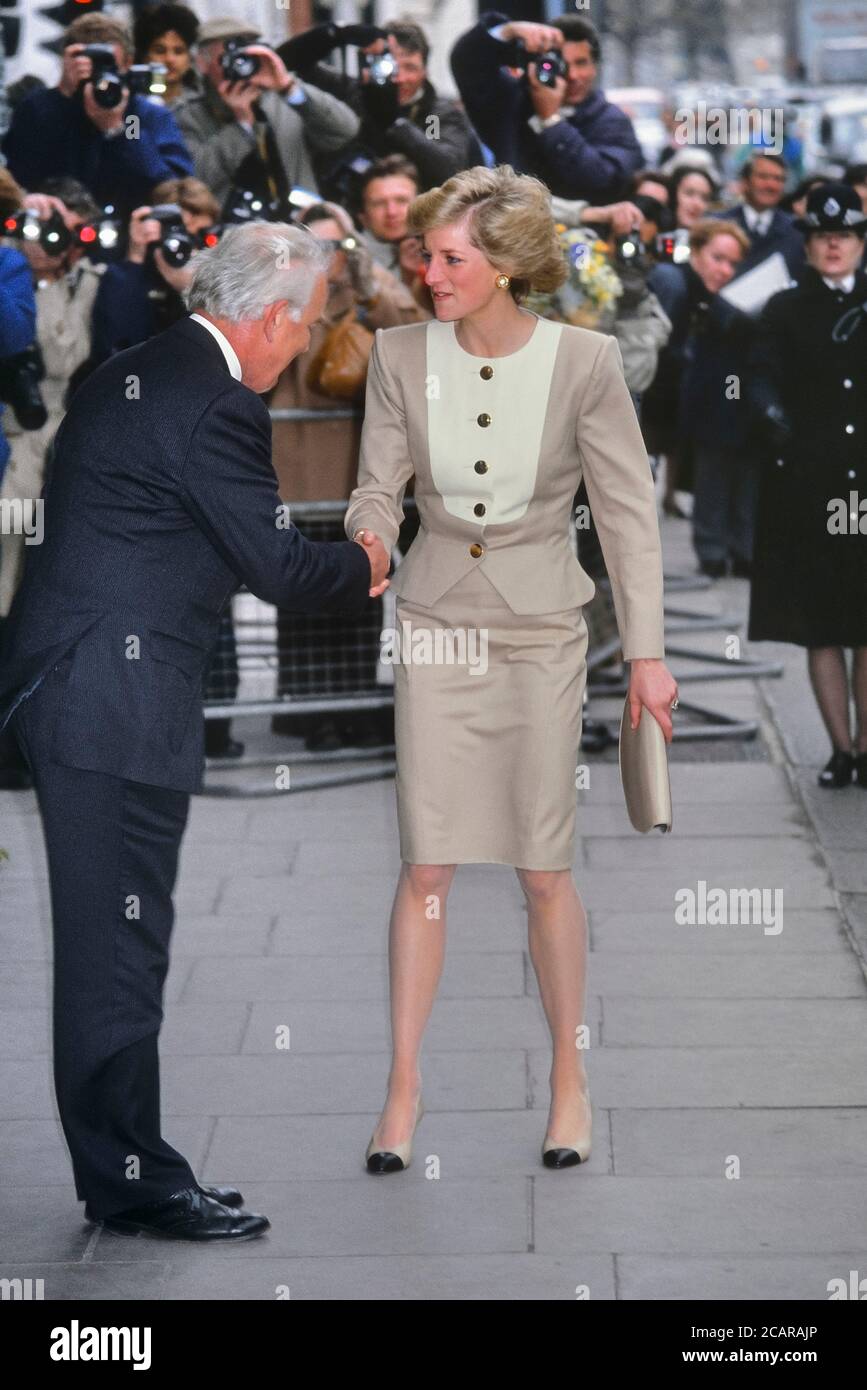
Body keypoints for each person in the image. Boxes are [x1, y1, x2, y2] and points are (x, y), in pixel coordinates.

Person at [0, 222, 389, 1240]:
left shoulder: (136, 369)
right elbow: (280, 570)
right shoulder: (216, 402)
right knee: (115, 952)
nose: (302, 345)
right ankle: (136, 1183)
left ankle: (130, 1168)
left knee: (118, 944)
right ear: (267, 317)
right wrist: (371, 561)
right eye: (303, 325)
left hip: (86, 687)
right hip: (107, 701)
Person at [344, 164, 676, 1174]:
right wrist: (366, 541)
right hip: (439, 620)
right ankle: (402, 1085)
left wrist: (651, 658)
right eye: (425, 256)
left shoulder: (584, 362)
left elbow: (625, 511)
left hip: (542, 629)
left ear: (505, 267)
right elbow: (375, 486)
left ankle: (570, 1080)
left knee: (542, 868)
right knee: (428, 863)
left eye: (449, 258)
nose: (428, 272)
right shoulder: (399, 355)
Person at [268, 197, 429, 752]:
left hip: (355, 477)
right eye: (314, 245)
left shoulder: (367, 291)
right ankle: (307, 711)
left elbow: (412, 325)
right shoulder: (278, 295)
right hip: (295, 472)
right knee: (302, 594)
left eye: (336, 244)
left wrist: (364, 269)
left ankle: (356, 703)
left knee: (361, 589)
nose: (327, 257)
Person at [747, 182, 867, 789]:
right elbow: (759, 375)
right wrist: (769, 414)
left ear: (860, 243)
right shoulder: (785, 308)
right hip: (813, 488)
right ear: (810, 246)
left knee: (865, 623)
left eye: (843, 237)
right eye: (823, 238)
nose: (833, 247)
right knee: (823, 623)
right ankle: (840, 749)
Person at [0, 179, 104, 620]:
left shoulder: (89, 281)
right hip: (15, 429)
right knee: (9, 539)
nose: (58, 241)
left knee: (51, 553)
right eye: (49, 227)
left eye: (71, 231)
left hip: (60, 433)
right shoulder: (10, 262)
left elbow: (65, 355)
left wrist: (51, 281)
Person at [1, 12, 193, 219]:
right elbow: (21, 177)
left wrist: (117, 128)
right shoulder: (40, 107)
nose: (100, 78)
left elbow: (167, 185)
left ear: (128, 63)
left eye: (109, 67)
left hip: (131, 228)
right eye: (91, 67)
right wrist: (64, 97)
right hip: (56, 228)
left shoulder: (136, 115)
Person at [174, 15, 360, 217]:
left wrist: (288, 87)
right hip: (230, 235)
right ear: (202, 63)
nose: (239, 65)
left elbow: (345, 130)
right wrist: (242, 126)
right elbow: (194, 180)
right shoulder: (188, 115)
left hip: (298, 228)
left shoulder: (281, 99)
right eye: (228, 59)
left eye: (246, 56)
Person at [648, 220, 753, 578]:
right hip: (655, 403)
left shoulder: (714, 298)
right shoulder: (676, 285)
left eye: (732, 263)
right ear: (695, 252)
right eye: (717, 258)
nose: (724, 270)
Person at [450, 14, 643, 203]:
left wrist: (551, 121)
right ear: (539, 64)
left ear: (595, 67)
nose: (573, 75)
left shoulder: (612, 121)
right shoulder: (512, 104)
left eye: (581, 63)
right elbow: (467, 64)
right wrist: (508, 31)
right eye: (561, 65)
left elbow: (602, 182)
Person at [283, 16, 484, 197]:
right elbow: (286, 64)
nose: (400, 78)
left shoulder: (435, 115)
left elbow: (447, 169)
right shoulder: (351, 91)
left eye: (410, 67)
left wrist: (396, 124)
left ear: (425, 71)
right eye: (392, 67)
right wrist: (337, 33)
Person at [715, 153, 804, 278]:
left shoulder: (796, 231)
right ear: (745, 182)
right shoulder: (718, 226)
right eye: (763, 177)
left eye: (778, 179)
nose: (771, 185)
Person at [133, 2, 200, 109]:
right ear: (144, 55)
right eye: (160, 51)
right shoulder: (130, 104)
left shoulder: (203, 107)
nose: (169, 59)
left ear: (190, 57)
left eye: (178, 51)